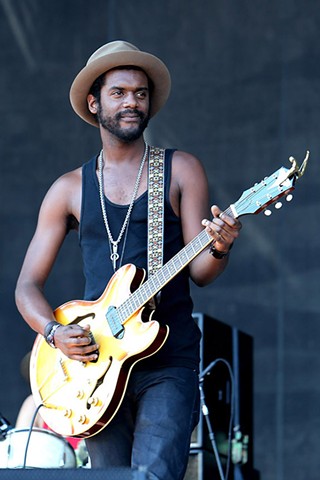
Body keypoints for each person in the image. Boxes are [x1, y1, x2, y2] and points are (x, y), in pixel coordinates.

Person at [15, 40, 242, 480]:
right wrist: (54, 331)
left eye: (140, 93)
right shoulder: (68, 190)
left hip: (168, 359)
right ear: (93, 102)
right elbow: (26, 286)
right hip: (97, 366)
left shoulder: (180, 170)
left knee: (153, 475)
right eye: (118, 92)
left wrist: (220, 245)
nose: (132, 102)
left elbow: (201, 272)